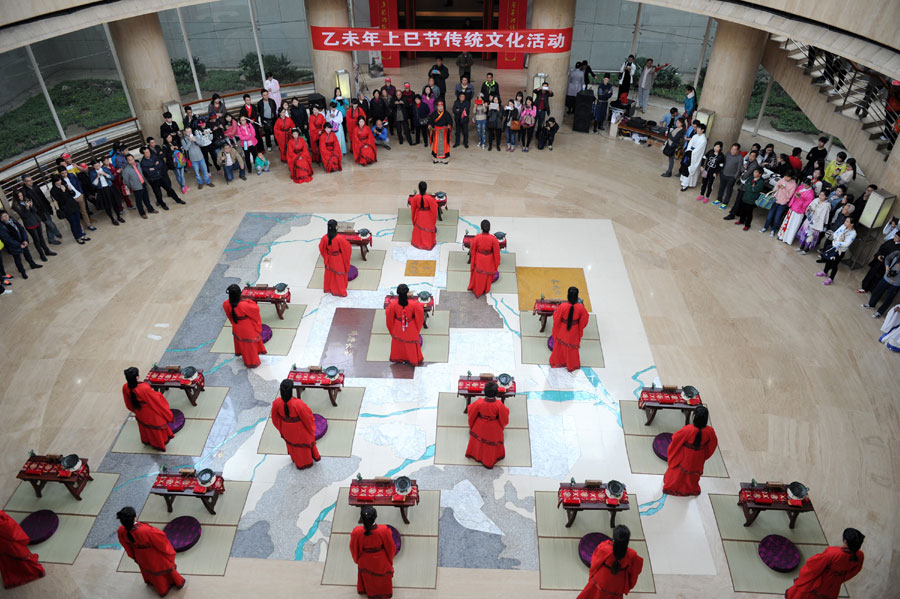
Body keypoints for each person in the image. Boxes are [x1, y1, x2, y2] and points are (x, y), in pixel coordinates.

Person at [116, 506, 185, 597]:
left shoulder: (121, 531)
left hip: (140, 556)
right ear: (134, 517)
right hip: (155, 556)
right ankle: (174, 583)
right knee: (165, 569)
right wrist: (170, 553)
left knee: (151, 573)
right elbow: (163, 544)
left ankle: (161, 589)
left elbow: (126, 546)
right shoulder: (147, 531)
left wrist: (135, 557)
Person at [785, 528, 865, 599]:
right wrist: (838, 579)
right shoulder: (860, 556)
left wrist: (802, 580)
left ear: (845, 541)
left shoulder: (832, 554)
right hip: (833, 586)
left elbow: (812, 568)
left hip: (818, 583)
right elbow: (852, 573)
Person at [661, 405, 718, 495]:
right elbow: (713, 445)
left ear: (694, 417)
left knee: (678, 473)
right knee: (692, 475)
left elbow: (675, 438)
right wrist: (704, 455)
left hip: (685, 455)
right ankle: (691, 489)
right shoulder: (710, 431)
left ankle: (672, 488)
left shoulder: (688, 429)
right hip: (699, 456)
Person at [578, 525, 643, 599]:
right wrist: (628, 586)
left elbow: (595, 564)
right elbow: (634, 573)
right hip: (617, 586)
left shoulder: (604, 548)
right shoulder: (632, 555)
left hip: (601, 580)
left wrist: (592, 577)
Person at [122, 367, 175, 451]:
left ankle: (148, 441)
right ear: (137, 377)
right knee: (158, 425)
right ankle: (160, 443)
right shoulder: (144, 387)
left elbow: (128, 404)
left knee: (145, 426)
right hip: (150, 412)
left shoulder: (125, 387)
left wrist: (136, 410)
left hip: (139, 411)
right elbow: (157, 399)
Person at [272, 378, 320, 469]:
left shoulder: (277, 403)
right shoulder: (298, 404)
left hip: (286, 430)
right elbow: (308, 418)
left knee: (293, 446)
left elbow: (275, 419)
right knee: (304, 448)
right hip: (300, 431)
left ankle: (297, 461)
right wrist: (311, 430)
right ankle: (307, 462)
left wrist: (282, 429)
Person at [350, 506, 396, 599]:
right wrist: (390, 559)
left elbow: (353, 547)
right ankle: (384, 593)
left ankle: (366, 591)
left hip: (364, 560)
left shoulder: (356, 531)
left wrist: (357, 560)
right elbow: (390, 547)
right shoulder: (384, 530)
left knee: (366, 575)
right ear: (375, 517)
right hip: (380, 560)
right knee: (384, 574)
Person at [465, 381, 510, 469]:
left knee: (478, 441)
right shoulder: (499, 405)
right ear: (496, 393)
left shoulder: (479, 402)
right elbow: (504, 416)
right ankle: (489, 460)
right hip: (494, 427)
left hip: (480, 425)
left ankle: (477, 456)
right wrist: (501, 425)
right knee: (491, 445)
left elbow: (471, 410)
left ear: (484, 391)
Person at [223, 283, 267, 368]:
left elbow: (230, 317)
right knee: (250, 347)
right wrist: (248, 300)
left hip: (237, 327)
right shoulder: (245, 305)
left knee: (244, 346)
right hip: (247, 328)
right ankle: (252, 362)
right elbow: (255, 308)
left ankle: (246, 357)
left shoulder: (226, 304)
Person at [0, 509, 45, 589]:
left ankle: (11, 576)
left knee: (7, 558)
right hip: (8, 540)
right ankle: (31, 573)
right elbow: (11, 531)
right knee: (18, 553)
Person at [550, 286, 590, 371]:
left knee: (560, 347)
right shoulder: (581, 308)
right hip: (574, 331)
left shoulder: (563, 306)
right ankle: (572, 365)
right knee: (572, 350)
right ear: (577, 297)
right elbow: (584, 321)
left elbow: (556, 317)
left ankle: (558, 362)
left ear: (568, 295)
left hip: (563, 330)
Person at [385, 284, 425, 365]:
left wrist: (392, 330)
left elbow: (389, 317)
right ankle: (412, 359)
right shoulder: (414, 304)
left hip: (398, 327)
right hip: (410, 326)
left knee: (398, 343)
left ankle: (399, 358)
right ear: (407, 293)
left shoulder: (393, 305)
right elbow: (420, 316)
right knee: (412, 344)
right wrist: (417, 328)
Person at [12, 190, 56, 260]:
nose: (21, 197)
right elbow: (24, 215)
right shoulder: (15, 205)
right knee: (36, 239)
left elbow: (35, 210)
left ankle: (47, 251)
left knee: (41, 237)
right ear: (16, 197)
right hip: (29, 224)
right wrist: (27, 208)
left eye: (21, 195)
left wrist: (31, 206)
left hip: (36, 220)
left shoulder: (26, 199)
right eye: (19, 196)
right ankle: (42, 255)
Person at [0, 210, 43, 280]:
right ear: (1, 219)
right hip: (15, 246)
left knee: (27, 254)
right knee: (18, 260)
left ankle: (32, 264)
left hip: (22, 241)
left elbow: (21, 229)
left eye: (6, 215)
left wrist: (25, 240)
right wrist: (19, 245)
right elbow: (8, 239)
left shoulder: (12, 219)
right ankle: (22, 272)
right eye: (4, 216)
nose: (6, 217)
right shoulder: (2, 227)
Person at [21, 175, 62, 245]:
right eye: (28, 181)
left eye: (31, 180)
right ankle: (56, 232)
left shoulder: (35, 186)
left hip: (45, 207)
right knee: (50, 224)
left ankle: (51, 239)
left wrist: (49, 206)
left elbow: (42, 196)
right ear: (24, 182)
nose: (31, 182)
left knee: (49, 224)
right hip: (38, 212)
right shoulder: (24, 192)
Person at [816, 217, 856, 285]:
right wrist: (835, 238)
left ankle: (831, 278)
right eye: (845, 221)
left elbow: (847, 244)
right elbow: (836, 233)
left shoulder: (853, 233)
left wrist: (838, 242)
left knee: (834, 264)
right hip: (833, 246)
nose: (845, 222)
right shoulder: (843, 226)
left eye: (847, 221)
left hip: (840, 251)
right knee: (828, 260)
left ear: (852, 224)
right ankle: (825, 272)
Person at [318, 219, 352, 297]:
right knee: (339, 275)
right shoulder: (339, 238)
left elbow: (321, 248)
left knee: (330, 273)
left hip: (329, 258)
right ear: (335, 227)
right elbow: (347, 248)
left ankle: (329, 288)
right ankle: (341, 291)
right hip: (338, 259)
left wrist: (326, 256)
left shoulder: (325, 238)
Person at [51, 174, 91, 241]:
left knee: (78, 222)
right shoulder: (53, 191)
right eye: (57, 181)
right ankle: (77, 237)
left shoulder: (64, 185)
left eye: (60, 180)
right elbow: (60, 201)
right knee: (73, 223)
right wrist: (63, 192)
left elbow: (73, 194)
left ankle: (82, 235)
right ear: (54, 182)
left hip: (74, 205)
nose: (59, 182)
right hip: (66, 209)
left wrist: (71, 190)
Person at [862, 249, 900, 318]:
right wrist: (887, 267)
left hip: (896, 283)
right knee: (876, 291)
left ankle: (880, 312)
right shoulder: (897, 253)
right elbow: (887, 259)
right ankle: (871, 305)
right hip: (886, 278)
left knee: (888, 298)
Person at [468, 219, 501, 297]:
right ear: (489, 228)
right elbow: (497, 254)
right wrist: (495, 265)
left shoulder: (477, 238)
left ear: (481, 228)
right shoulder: (494, 239)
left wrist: (474, 260)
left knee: (478, 277)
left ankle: (477, 290)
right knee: (487, 277)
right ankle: (485, 289)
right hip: (489, 261)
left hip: (479, 260)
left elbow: (472, 250)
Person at [724, 150, 759, 220]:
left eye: (753, 156)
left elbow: (746, 174)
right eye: (750, 155)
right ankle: (737, 212)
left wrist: (744, 171)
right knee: (740, 200)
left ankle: (732, 214)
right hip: (743, 184)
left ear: (756, 157)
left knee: (739, 200)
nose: (751, 157)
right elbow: (742, 168)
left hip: (746, 185)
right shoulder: (749, 162)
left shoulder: (754, 165)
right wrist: (744, 170)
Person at [778, 178, 815, 244]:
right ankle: (781, 236)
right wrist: (795, 197)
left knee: (793, 226)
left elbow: (807, 204)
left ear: (810, 185)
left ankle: (788, 240)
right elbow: (795, 193)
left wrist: (800, 198)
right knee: (787, 222)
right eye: (804, 184)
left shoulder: (811, 194)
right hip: (793, 207)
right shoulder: (801, 187)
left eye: (806, 185)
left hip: (799, 211)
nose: (804, 186)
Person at [797, 191, 833, 255]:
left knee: (811, 235)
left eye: (822, 195)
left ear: (826, 197)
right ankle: (801, 246)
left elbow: (824, 216)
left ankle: (806, 249)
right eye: (820, 194)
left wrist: (816, 213)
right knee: (804, 232)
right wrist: (810, 210)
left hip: (816, 222)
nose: (820, 196)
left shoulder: (827, 206)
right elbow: (809, 207)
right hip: (809, 219)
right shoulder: (816, 200)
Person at [410, 181, 438, 250]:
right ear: (426, 188)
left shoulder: (415, 198)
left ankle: (418, 242)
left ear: (419, 188)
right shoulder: (430, 199)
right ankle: (427, 244)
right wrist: (433, 221)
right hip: (428, 217)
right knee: (427, 232)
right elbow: (434, 209)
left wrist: (413, 220)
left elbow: (413, 209)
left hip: (419, 216)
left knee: (418, 231)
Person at [679, 122, 707, 191]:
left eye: (698, 128)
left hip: (694, 156)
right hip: (689, 154)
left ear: (702, 130)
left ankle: (686, 184)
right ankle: (683, 181)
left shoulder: (703, 140)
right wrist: (689, 150)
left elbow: (699, 150)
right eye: (697, 128)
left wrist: (692, 152)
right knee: (685, 167)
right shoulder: (695, 136)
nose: (697, 129)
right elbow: (690, 144)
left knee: (690, 169)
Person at [428, 99, 453, 164]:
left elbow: (450, 121)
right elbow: (430, 121)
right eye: (439, 106)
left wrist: (448, 126)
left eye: (441, 106)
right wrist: (430, 125)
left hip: (444, 131)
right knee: (436, 144)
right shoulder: (434, 113)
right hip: (436, 131)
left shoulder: (446, 114)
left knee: (444, 145)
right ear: (437, 107)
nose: (440, 107)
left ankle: (444, 159)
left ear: (443, 106)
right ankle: (435, 159)